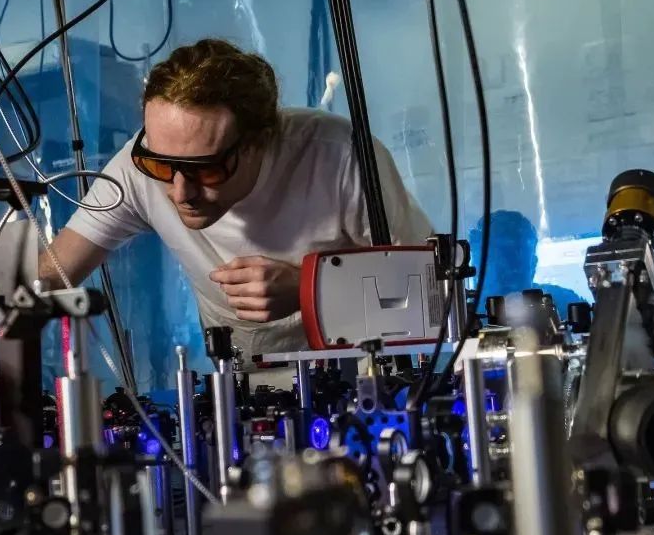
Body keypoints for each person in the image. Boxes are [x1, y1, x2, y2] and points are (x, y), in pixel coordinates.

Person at [39, 39, 432, 357]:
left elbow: (432, 287)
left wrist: (310, 287)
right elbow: (50, 276)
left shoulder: (340, 155)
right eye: (161, 166)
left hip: (364, 377)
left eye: (207, 170)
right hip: (240, 387)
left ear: (260, 141)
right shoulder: (138, 166)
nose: (181, 192)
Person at [467, 210, 587, 315]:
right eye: (496, 264)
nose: (506, 275)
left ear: (533, 266)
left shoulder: (565, 304)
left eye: (514, 266)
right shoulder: (463, 317)